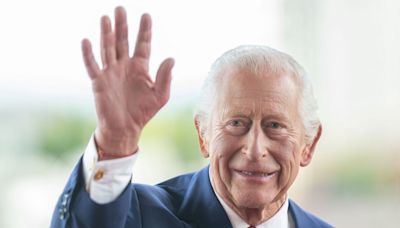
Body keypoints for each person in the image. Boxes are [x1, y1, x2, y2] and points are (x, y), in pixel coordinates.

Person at [51, 6, 332, 228]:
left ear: (308, 144)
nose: (255, 149)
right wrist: (114, 142)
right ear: (203, 136)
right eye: (236, 124)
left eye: (275, 126)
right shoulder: (138, 216)